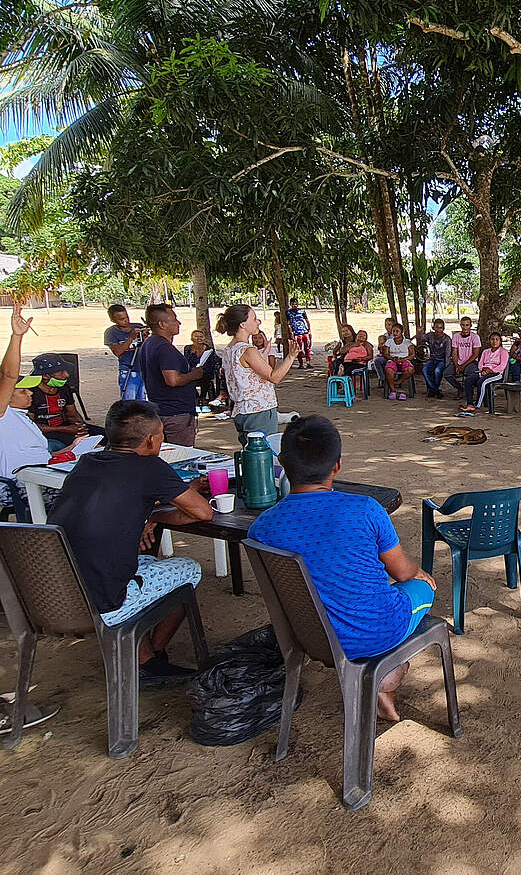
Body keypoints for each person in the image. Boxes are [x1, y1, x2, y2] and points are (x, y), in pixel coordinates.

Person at [247, 416, 437, 720]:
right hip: (375, 632)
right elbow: (402, 573)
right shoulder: (366, 509)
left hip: (307, 636)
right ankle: (385, 674)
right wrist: (419, 574)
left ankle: (382, 675)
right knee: (422, 587)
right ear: (337, 464)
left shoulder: (262, 527)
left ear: (282, 462)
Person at [48, 401, 215, 683]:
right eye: (161, 434)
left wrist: (149, 514)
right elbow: (202, 512)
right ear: (151, 440)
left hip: (58, 592)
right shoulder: (150, 467)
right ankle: (147, 659)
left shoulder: (88, 462)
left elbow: (119, 501)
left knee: (147, 561)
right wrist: (161, 513)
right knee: (189, 568)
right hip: (104, 600)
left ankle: (142, 650)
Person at [0, 306, 77, 512]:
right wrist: (17, 337)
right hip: (21, 484)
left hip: (41, 474)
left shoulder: (20, 417)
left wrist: (73, 449)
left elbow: (39, 454)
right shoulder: (3, 415)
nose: (31, 393)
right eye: (23, 391)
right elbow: (7, 375)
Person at [217, 304, 298, 445]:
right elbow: (274, 377)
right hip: (259, 411)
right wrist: (291, 357)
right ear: (242, 324)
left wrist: (264, 353)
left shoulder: (229, 349)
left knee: (250, 454)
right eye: (254, 319)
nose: (258, 322)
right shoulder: (248, 350)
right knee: (263, 458)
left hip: (241, 411)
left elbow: (245, 373)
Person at [135, 303, 204, 447]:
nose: (179, 323)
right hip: (175, 413)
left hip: (162, 409)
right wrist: (194, 374)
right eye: (174, 319)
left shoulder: (148, 344)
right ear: (162, 324)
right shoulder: (164, 348)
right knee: (182, 455)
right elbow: (172, 380)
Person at [27, 354, 101, 451]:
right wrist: (65, 429)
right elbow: (30, 426)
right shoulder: (29, 394)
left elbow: (72, 414)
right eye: (61, 372)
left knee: (108, 436)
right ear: (45, 376)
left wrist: (80, 426)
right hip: (47, 432)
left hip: (66, 427)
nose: (66, 375)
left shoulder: (64, 388)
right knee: (87, 446)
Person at [104, 304, 149, 400]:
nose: (126, 321)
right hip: (128, 370)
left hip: (143, 369)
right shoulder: (111, 332)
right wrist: (131, 338)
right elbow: (118, 352)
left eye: (126, 317)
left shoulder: (137, 326)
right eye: (121, 319)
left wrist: (145, 337)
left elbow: (147, 348)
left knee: (143, 400)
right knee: (129, 401)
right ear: (113, 320)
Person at [462, 332, 509, 413]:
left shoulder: (503, 352)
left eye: (497, 340)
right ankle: (469, 404)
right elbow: (480, 364)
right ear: (489, 341)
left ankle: (477, 405)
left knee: (482, 382)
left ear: (500, 342)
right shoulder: (485, 351)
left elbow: (502, 366)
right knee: (468, 380)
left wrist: (490, 370)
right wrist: (484, 370)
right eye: (492, 339)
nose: (494, 341)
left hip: (496, 374)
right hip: (483, 371)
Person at [183, 329, 223, 405]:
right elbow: (187, 362)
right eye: (196, 336)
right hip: (193, 372)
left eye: (201, 336)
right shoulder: (188, 349)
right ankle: (196, 398)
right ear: (192, 339)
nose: (199, 338)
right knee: (188, 380)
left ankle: (202, 397)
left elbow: (211, 364)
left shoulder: (209, 349)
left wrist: (201, 370)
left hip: (205, 372)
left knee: (206, 378)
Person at [377, 323, 416, 400]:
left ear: (401, 332)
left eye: (397, 331)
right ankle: (393, 390)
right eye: (393, 331)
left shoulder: (407, 342)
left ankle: (397, 382)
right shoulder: (389, 342)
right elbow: (385, 354)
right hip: (392, 360)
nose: (394, 333)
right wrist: (392, 358)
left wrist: (403, 359)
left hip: (404, 360)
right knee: (388, 370)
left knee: (410, 370)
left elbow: (412, 355)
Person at [444, 316, 481, 395]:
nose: (465, 327)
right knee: (447, 374)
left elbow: (475, 354)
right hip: (459, 362)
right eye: (463, 325)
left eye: (467, 325)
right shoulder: (456, 336)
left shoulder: (475, 337)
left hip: (471, 362)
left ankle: (471, 392)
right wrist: (457, 365)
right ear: (460, 325)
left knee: (471, 374)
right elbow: (454, 352)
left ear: (470, 326)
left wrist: (463, 366)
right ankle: (460, 388)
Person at [421, 318, 453, 397]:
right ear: (433, 327)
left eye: (440, 327)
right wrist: (420, 332)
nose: (438, 330)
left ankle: (433, 390)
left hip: (442, 360)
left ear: (444, 328)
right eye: (437, 327)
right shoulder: (430, 335)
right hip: (432, 358)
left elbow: (448, 354)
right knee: (424, 370)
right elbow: (422, 339)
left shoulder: (447, 339)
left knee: (437, 371)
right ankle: (435, 390)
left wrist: (446, 365)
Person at [286, 298, 313, 368]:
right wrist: (291, 332)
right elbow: (288, 323)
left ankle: (308, 363)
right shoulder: (288, 312)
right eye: (292, 304)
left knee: (307, 348)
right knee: (299, 348)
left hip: (304, 331)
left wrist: (309, 330)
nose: (294, 305)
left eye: (295, 304)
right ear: (290, 304)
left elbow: (307, 321)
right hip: (296, 333)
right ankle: (301, 364)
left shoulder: (302, 311)